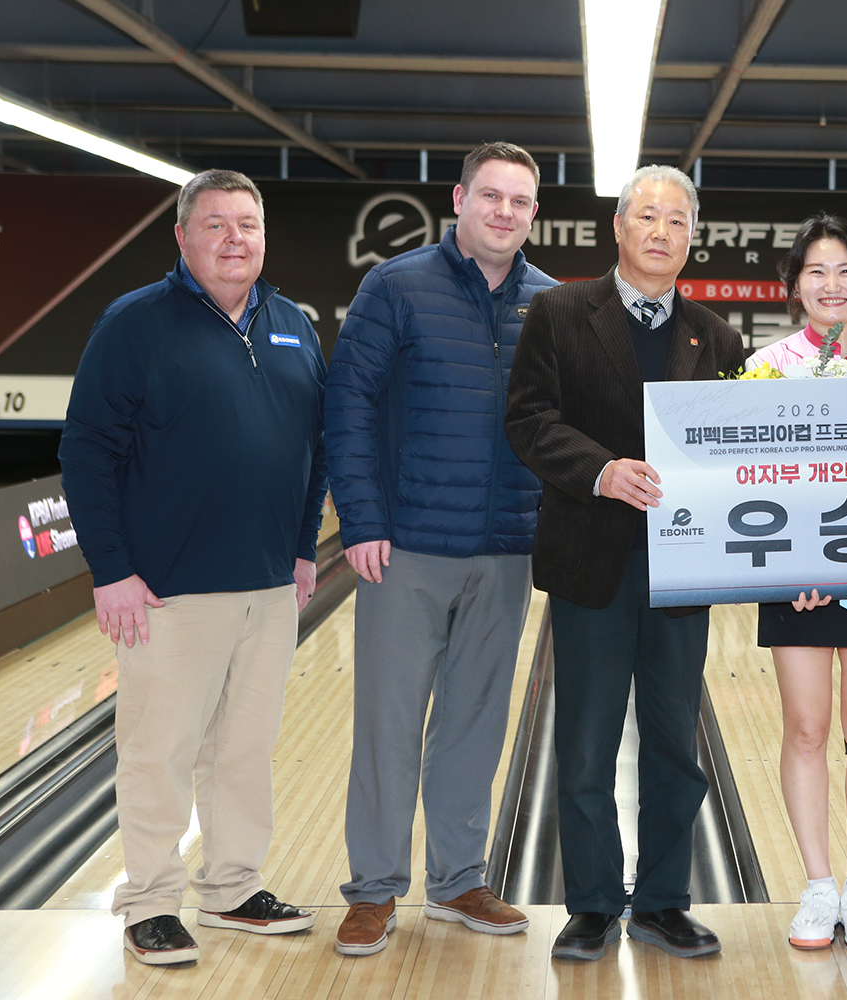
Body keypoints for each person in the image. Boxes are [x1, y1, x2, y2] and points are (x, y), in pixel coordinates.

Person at [59, 170, 326, 965]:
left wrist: (304, 546)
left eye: (247, 224)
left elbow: (313, 448)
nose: (234, 238)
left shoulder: (292, 324)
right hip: (168, 588)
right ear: (182, 237)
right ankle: (149, 901)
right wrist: (111, 570)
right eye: (215, 224)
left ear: (264, 236)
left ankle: (233, 887)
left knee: (245, 749)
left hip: (268, 585)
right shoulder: (135, 322)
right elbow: (87, 449)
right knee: (160, 751)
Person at [505, 165, 745, 962]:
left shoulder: (717, 336)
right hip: (591, 562)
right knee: (585, 744)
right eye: (647, 216)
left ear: (692, 236)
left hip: (684, 566)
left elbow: (734, 454)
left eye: (677, 220)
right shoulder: (559, 312)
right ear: (618, 226)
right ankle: (593, 904)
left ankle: (664, 902)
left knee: (675, 745)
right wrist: (602, 470)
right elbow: (528, 420)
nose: (661, 231)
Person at [324, 142, 557, 956]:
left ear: (535, 214)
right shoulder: (395, 285)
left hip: (505, 549)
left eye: (519, 201)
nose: (503, 212)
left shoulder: (550, 303)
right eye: (490, 195)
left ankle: (459, 880)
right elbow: (348, 405)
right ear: (459, 199)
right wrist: (361, 520)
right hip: (407, 548)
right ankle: (373, 890)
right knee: (388, 723)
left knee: (475, 722)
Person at [745, 213, 847, 953]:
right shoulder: (766, 368)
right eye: (816, 271)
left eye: (846, 270)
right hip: (794, 575)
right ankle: (818, 885)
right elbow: (752, 481)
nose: (832, 284)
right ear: (794, 286)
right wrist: (793, 565)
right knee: (807, 727)